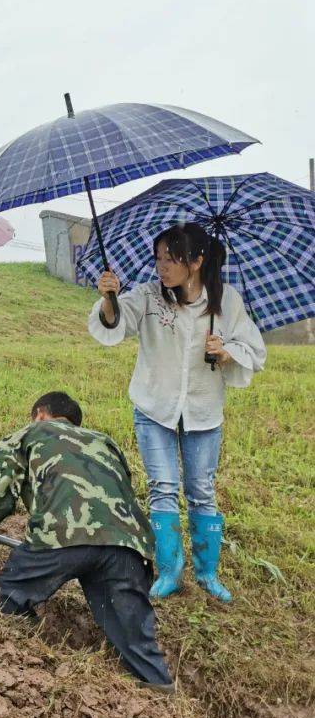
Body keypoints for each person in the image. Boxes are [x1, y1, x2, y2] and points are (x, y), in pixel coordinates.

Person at [0, 392, 174, 691]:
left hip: (63, 533)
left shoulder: (28, 435)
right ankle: (160, 691)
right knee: (135, 637)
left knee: (13, 593)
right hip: (127, 545)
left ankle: (23, 668)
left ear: (40, 414)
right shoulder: (104, 442)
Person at [90, 223, 265, 603]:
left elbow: (254, 349)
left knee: (201, 491)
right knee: (163, 487)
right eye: (158, 259)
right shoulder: (149, 296)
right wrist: (108, 298)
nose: (162, 267)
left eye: (171, 259)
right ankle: (170, 571)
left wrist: (226, 351)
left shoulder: (226, 301)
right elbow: (116, 322)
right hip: (155, 408)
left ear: (197, 261)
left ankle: (207, 573)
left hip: (203, 411)